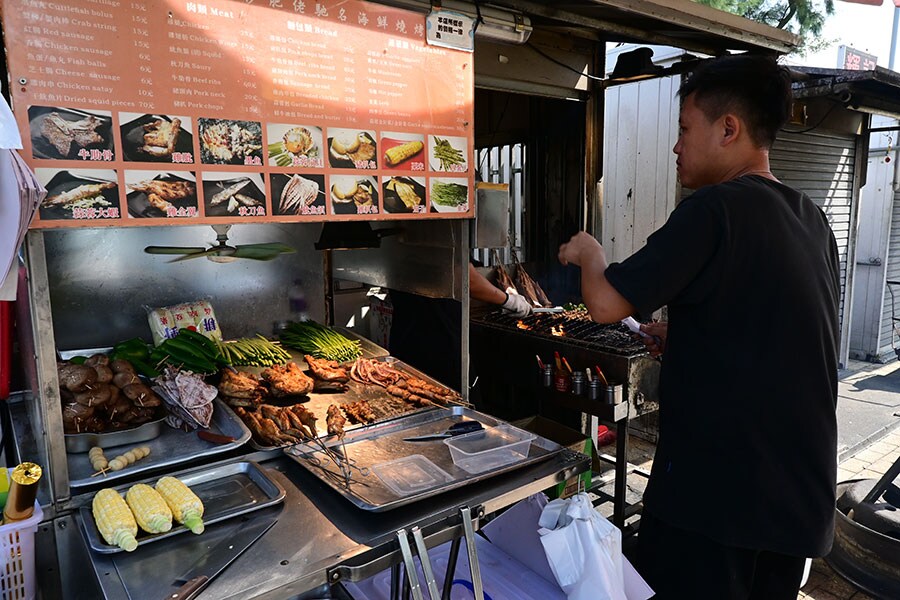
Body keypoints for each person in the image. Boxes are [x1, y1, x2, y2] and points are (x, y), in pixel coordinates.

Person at [558, 55, 840, 599]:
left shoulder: (714, 208)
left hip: (717, 504)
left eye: (685, 129)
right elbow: (783, 334)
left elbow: (605, 305)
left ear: (728, 128)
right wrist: (685, 334)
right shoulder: (811, 217)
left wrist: (591, 254)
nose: (676, 146)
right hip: (796, 506)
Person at [389, 262, 532, 391]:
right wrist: (508, 301)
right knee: (456, 409)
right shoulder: (445, 234)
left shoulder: (408, 240)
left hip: (404, 342)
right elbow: (465, 277)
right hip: (441, 348)